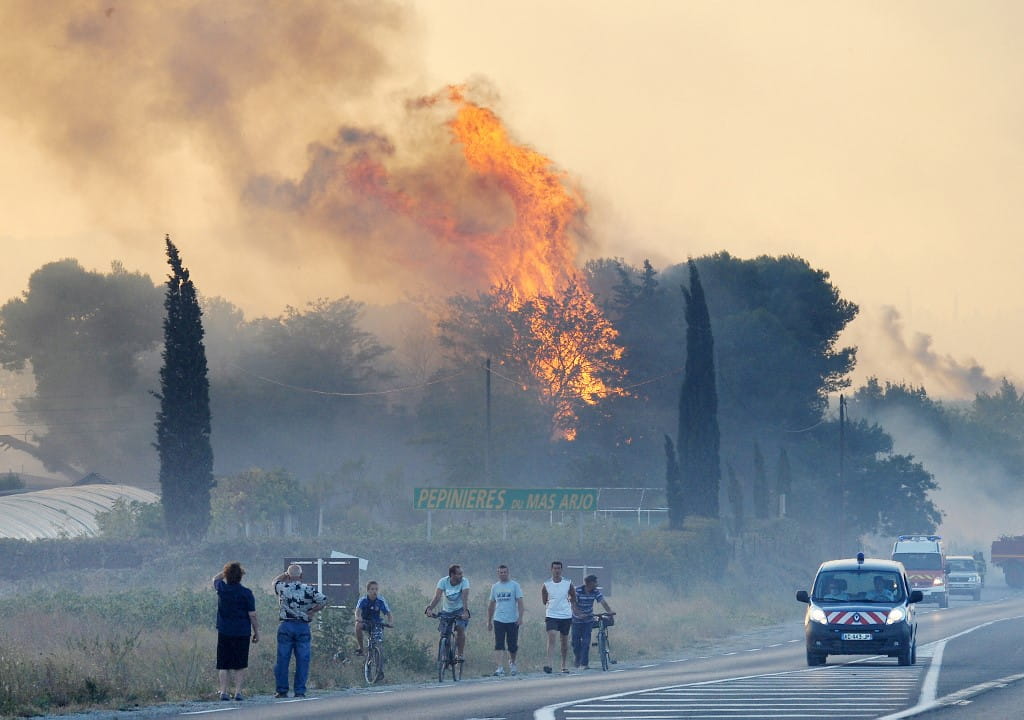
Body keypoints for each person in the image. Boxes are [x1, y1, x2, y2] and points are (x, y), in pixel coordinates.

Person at [272, 564, 327, 699]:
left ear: (288, 576)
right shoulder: (308, 589)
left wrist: (285, 574)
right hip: (302, 626)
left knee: (282, 659)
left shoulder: (282, 587)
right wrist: (312, 611)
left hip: (286, 625)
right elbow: (323, 600)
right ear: (301, 576)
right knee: (303, 659)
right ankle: (300, 690)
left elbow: (274, 582)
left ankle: (282, 690)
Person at [212, 562, 259, 701]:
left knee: (223, 664)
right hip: (242, 631)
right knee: (240, 664)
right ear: (241, 576)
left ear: (226, 576)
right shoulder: (246, 593)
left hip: (224, 630)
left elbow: (215, 579)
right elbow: (252, 615)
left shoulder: (222, 589)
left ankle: (223, 692)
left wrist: (226, 572)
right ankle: (238, 692)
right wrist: (256, 631)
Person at [424, 564, 470, 663]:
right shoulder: (443, 581)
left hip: (460, 610)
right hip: (447, 611)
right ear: (452, 575)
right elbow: (437, 597)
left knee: (460, 628)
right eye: (459, 574)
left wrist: (465, 612)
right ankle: (444, 655)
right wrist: (430, 608)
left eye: (462, 573)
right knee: (444, 633)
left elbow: (464, 597)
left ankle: (460, 654)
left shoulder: (464, 582)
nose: (461, 576)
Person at [487, 564, 525, 676]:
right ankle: (499, 667)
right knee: (499, 643)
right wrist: (489, 621)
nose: (503, 574)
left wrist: (520, 617)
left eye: (504, 572)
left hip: (512, 620)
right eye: (501, 572)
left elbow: (520, 602)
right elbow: (491, 604)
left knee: (512, 645)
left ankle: (512, 662)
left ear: (508, 573)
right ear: (498, 574)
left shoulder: (515, 585)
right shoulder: (495, 587)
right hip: (498, 619)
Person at [542, 560, 578, 674]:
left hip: (565, 615)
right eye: (555, 568)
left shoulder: (567, 583)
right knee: (552, 636)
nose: (556, 571)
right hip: (551, 614)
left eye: (558, 568)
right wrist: (551, 604)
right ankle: (549, 664)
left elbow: (573, 596)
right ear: (551, 570)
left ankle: (563, 665)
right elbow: (544, 600)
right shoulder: (546, 584)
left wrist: (570, 604)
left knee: (564, 641)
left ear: (561, 570)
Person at [571, 574, 614, 669]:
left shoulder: (595, 592)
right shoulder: (577, 590)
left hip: (588, 620)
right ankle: (578, 657)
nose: (597, 584)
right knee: (575, 642)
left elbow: (603, 602)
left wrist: (609, 611)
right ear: (590, 583)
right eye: (595, 582)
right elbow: (573, 605)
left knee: (586, 642)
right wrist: (579, 614)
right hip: (576, 620)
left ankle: (584, 664)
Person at [354, 580, 393, 656]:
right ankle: (361, 648)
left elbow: (388, 613)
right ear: (368, 590)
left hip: (377, 623)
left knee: (378, 641)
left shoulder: (380, 600)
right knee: (357, 625)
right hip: (365, 622)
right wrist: (358, 618)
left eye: (376, 589)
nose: (374, 591)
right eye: (372, 589)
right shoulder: (363, 600)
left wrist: (390, 622)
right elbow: (357, 611)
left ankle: (378, 657)